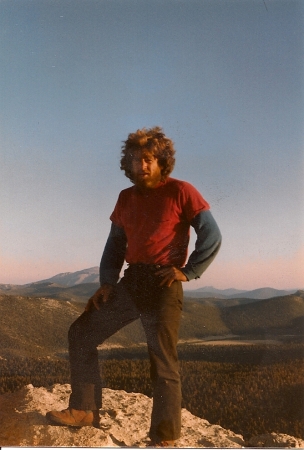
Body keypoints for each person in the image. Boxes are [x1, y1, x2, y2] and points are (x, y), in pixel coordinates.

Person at [46, 126, 222, 447]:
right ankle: (85, 409)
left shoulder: (181, 191)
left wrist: (189, 271)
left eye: (149, 159)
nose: (141, 165)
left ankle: (164, 438)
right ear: (127, 164)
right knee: (82, 333)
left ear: (161, 162)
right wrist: (107, 283)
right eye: (134, 159)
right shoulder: (125, 198)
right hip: (132, 281)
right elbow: (115, 245)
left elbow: (211, 234)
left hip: (163, 282)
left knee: (163, 362)